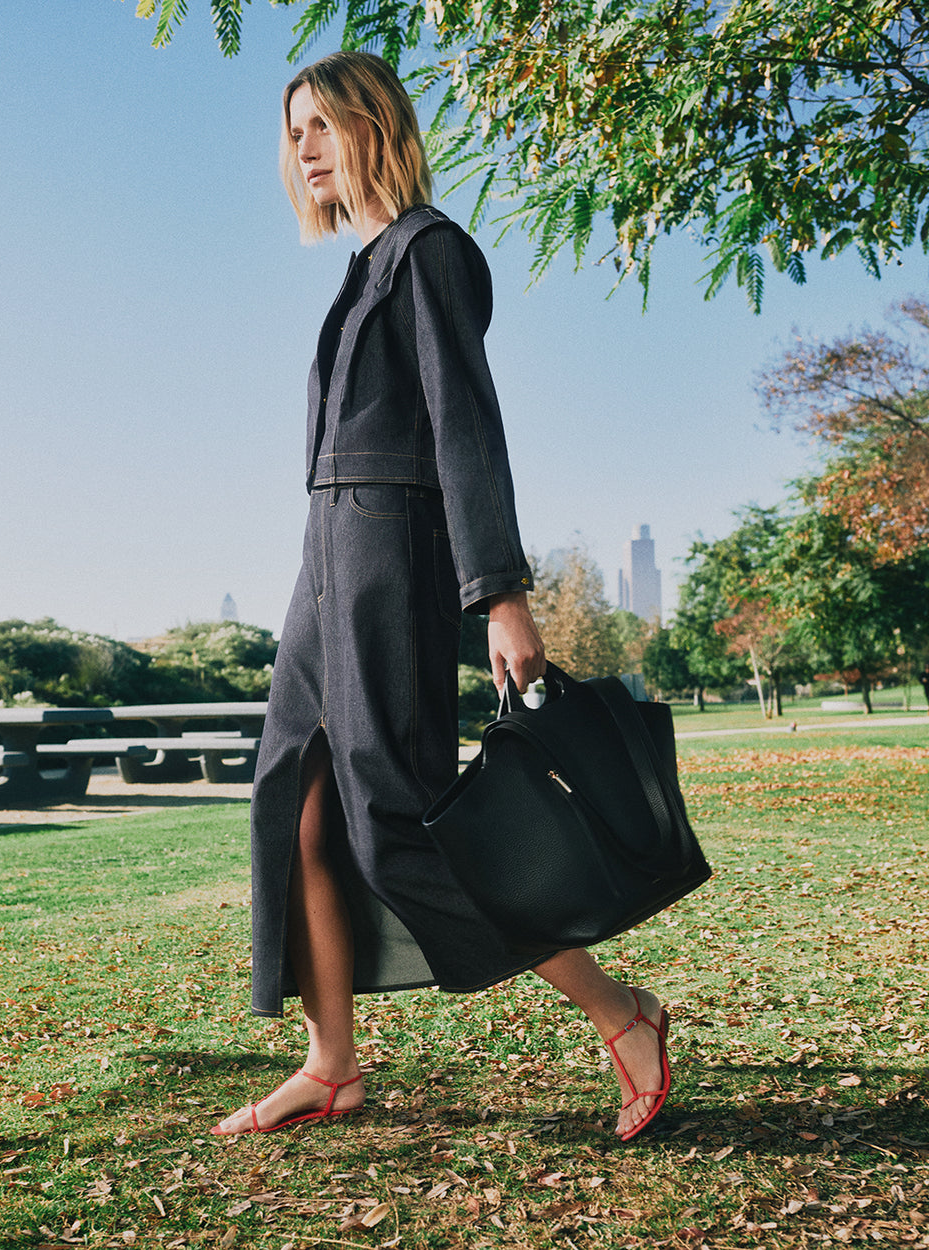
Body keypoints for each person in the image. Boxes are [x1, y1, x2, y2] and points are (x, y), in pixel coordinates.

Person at [212, 50, 670, 1144]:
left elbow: (467, 428)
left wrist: (498, 594)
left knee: (398, 818)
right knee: (296, 801)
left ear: (373, 125)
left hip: (391, 559)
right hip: (323, 562)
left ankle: (623, 1013)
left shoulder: (429, 253)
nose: (303, 149)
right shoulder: (361, 265)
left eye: (321, 124)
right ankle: (331, 1064)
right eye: (293, 132)